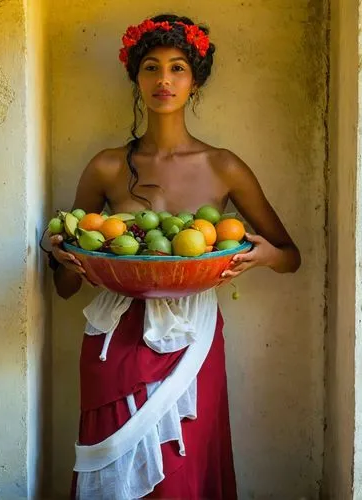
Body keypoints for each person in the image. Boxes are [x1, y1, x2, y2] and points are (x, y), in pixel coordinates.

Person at [49, 13, 301, 500]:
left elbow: (290, 256)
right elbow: (64, 286)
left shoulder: (223, 166)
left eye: (178, 67)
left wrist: (263, 256)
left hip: (194, 334)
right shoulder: (104, 166)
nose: (164, 80)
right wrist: (61, 257)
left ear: (195, 79)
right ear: (136, 77)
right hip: (112, 338)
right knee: (115, 466)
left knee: (183, 467)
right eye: (151, 67)